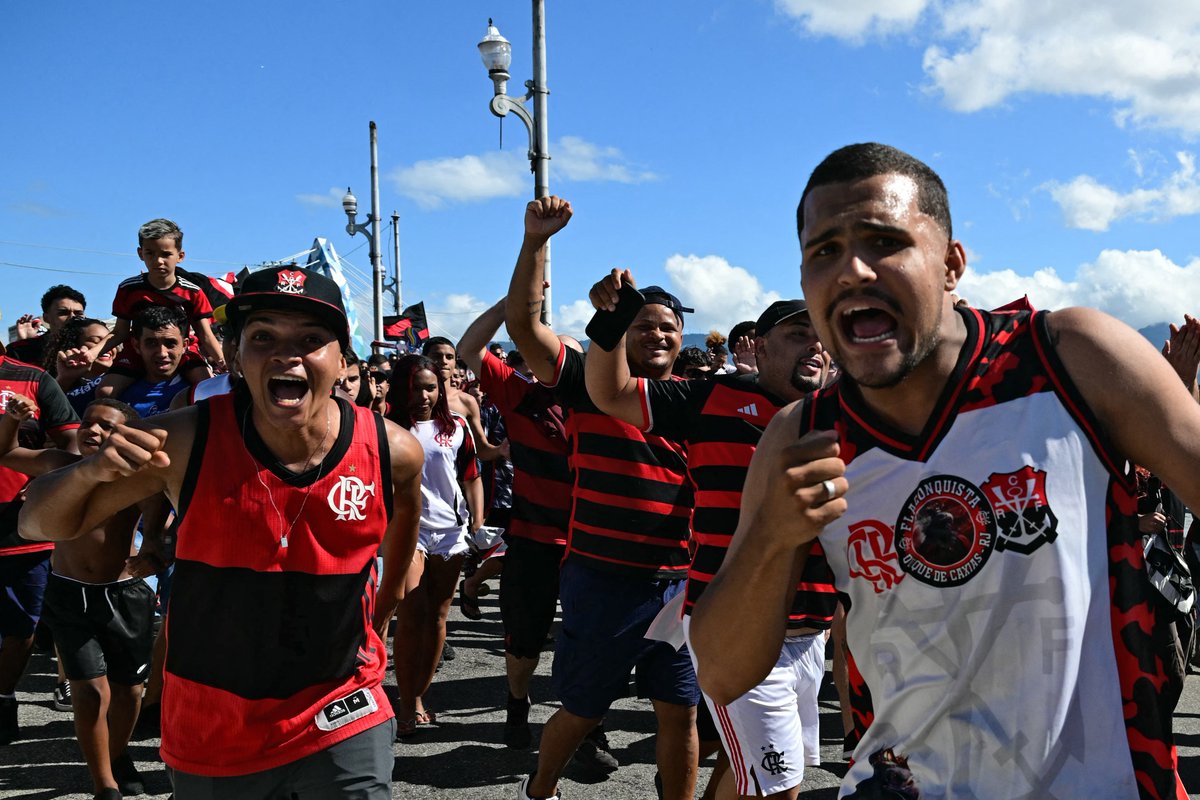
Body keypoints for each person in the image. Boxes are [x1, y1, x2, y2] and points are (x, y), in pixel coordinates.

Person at [690, 142, 1200, 798]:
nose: (852, 270)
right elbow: (724, 675)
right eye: (824, 251)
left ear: (952, 264)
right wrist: (770, 538)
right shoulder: (803, 435)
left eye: (885, 242)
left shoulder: (1069, 358)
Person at [19, 265, 424, 798]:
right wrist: (91, 471)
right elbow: (38, 521)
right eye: (263, 337)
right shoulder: (186, 437)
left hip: (342, 709)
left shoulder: (393, 451)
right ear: (234, 355)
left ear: (342, 359)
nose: (286, 355)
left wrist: (380, 619)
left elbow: (402, 554)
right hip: (214, 719)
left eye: (310, 339)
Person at [585, 288, 836, 798]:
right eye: (797, 334)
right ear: (759, 346)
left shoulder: (845, 415)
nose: (815, 346)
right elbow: (610, 392)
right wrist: (611, 323)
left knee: (748, 774)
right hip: (733, 627)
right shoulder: (709, 399)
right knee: (778, 787)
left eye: (823, 337)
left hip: (814, 631)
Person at [506, 196, 700, 800]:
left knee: (681, 711)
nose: (658, 334)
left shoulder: (697, 400)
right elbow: (524, 329)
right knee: (584, 710)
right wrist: (536, 242)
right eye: (644, 325)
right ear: (623, 331)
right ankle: (540, 789)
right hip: (602, 578)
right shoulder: (587, 383)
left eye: (668, 326)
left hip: (680, 584)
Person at [0, 395, 164, 800]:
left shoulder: (140, 477)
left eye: (107, 426)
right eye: (89, 421)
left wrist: (153, 554)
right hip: (68, 593)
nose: (93, 430)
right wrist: (11, 420)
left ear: (127, 434)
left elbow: (161, 529)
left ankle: (117, 754)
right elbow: (6, 453)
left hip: (124, 595)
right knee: (90, 691)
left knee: (129, 692)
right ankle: (103, 783)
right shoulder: (59, 464)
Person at [459, 300, 576, 750]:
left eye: (565, 357)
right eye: (548, 355)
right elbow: (470, 348)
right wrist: (509, 304)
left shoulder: (603, 402)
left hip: (590, 544)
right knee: (524, 638)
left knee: (589, 639)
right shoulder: (521, 395)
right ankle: (517, 704)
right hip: (533, 540)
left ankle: (587, 724)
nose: (556, 363)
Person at [384, 354, 482, 738]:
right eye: (415, 387)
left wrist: (477, 522)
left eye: (430, 387)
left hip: (450, 532)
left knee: (438, 618)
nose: (423, 396)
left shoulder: (456, 426)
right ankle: (406, 704)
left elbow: (471, 475)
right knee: (411, 614)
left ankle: (419, 696)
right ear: (400, 387)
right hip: (407, 530)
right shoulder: (384, 426)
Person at [0, 344, 79, 745]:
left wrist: (43, 482)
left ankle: (3, 699)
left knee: (20, 627)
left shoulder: (32, 378)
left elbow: (73, 446)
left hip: (22, 531)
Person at [92, 218, 223, 397]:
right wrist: (92, 354)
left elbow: (205, 335)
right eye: (150, 253)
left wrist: (223, 361)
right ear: (140, 253)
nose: (158, 261)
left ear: (180, 256)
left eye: (166, 254)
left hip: (181, 352)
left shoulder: (193, 292)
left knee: (207, 388)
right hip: (138, 352)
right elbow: (119, 332)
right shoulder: (128, 289)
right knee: (104, 392)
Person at [107, 306, 192, 419]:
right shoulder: (118, 395)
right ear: (136, 346)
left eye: (170, 343)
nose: (162, 353)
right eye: (151, 343)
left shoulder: (197, 393)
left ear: (184, 346)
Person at [7, 285, 88, 366]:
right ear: (46, 318)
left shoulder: (90, 347)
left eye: (78, 313)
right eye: (63, 313)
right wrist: (24, 344)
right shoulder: (20, 351)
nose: (72, 317)